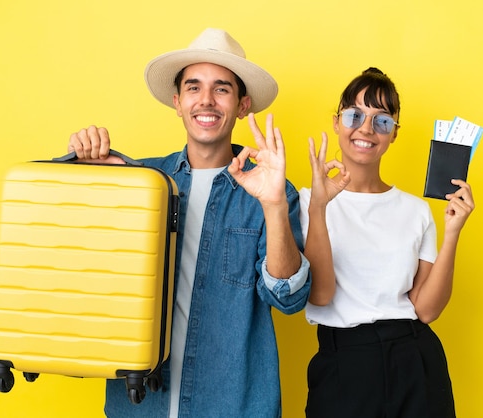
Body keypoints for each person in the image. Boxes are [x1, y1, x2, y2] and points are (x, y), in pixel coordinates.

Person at [68, 28, 311, 418]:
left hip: (232, 404)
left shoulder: (274, 191)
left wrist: (274, 205)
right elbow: (82, 263)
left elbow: (288, 298)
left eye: (222, 89)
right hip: (140, 405)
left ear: (243, 104)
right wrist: (85, 165)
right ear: (178, 102)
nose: (207, 101)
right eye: (194, 87)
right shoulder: (140, 180)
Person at [299, 67, 475, 418]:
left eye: (382, 121)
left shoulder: (417, 211)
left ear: (394, 133)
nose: (366, 129)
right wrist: (319, 206)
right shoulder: (305, 202)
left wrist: (453, 232)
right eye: (355, 116)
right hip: (343, 362)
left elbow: (426, 309)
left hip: (415, 359)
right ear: (336, 123)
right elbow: (320, 295)